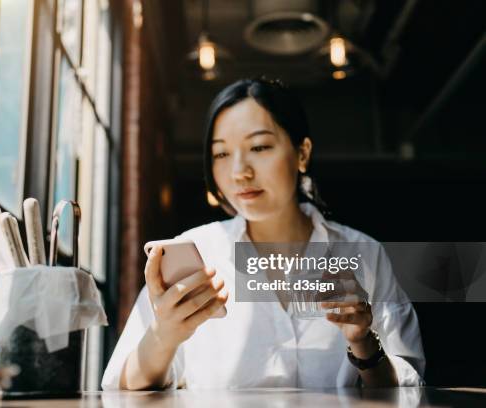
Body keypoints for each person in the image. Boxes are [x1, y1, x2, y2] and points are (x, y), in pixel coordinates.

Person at [102, 78, 425, 390]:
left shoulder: (362, 253)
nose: (240, 171)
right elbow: (124, 385)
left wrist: (363, 343)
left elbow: (409, 386)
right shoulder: (198, 251)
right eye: (221, 154)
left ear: (302, 153)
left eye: (259, 146)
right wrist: (164, 334)